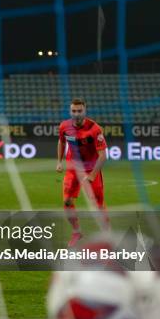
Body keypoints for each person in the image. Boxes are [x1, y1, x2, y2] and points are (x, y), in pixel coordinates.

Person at [56, 98, 108, 246]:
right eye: (74, 111)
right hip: (73, 168)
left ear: (85, 111)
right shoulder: (64, 126)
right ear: (70, 111)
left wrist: (92, 176)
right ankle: (77, 232)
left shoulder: (94, 129)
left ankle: (106, 235)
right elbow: (61, 142)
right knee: (67, 202)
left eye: (79, 111)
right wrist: (59, 161)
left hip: (92, 169)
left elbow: (103, 156)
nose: (76, 114)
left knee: (98, 205)